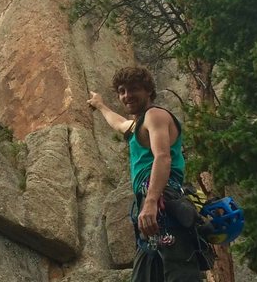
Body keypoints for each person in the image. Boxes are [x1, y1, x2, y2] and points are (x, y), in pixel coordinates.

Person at [87, 66, 203, 282]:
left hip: (163, 201)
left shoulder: (155, 115)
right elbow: (120, 123)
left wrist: (150, 202)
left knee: (180, 275)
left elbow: (162, 157)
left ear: (148, 90)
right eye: (122, 91)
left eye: (133, 89)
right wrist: (100, 105)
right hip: (150, 210)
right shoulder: (140, 124)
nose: (126, 96)